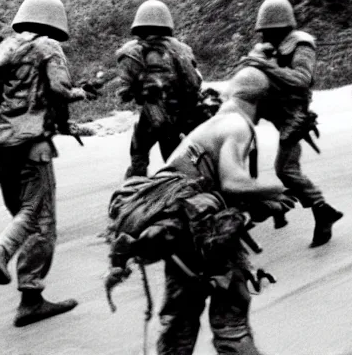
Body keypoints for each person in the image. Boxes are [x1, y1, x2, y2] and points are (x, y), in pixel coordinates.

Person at [107, 65, 296, 355]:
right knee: (231, 319)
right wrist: (276, 188)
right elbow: (233, 181)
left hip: (180, 228)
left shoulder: (212, 126)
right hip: (197, 226)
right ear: (261, 101)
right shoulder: (237, 125)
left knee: (180, 319)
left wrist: (260, 203)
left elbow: (217, 185)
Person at [0, 0, 98, 327]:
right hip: (31, 148)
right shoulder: (49, 47)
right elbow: (60, 91)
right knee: (38, 218)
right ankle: (3, 256)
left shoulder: (4, 48)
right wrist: (82, 93)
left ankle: (29, 297)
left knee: (24, 215)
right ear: (53, 20)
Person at [245, 0, 343, 248]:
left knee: (285, 169)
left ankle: (322, 210)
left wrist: (267, 68)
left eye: (272, 31)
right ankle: (269, 202)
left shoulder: (302, 45)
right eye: (265, 32)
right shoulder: (265, 47)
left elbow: (301, 79)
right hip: (267, 107)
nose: (268, 36)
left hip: (294, 114)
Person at [116, 0, 202, 178]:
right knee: (176, 153)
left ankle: (135, 185)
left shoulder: (131, 52)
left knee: (139, 147)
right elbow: (195, 82)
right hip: (185, 111)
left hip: (154, 112)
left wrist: (139, 90)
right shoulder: (182, 49)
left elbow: (124, 92)